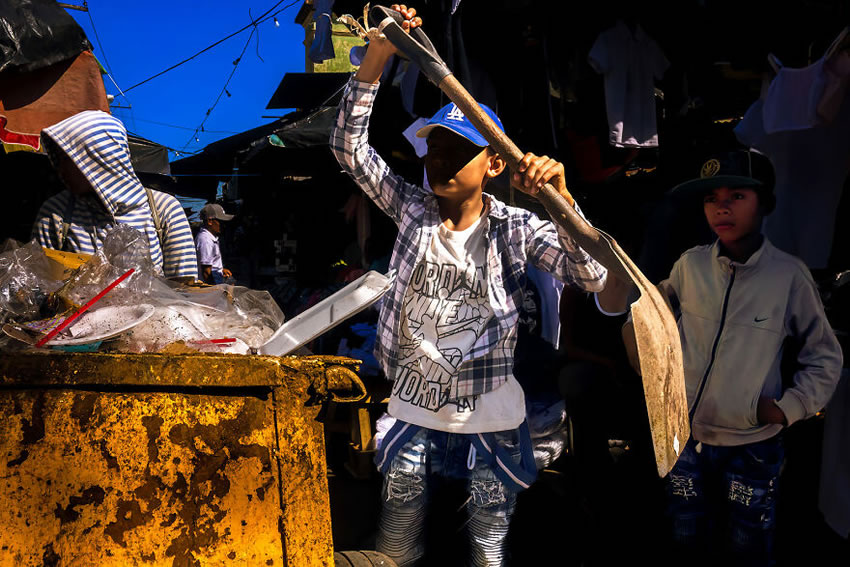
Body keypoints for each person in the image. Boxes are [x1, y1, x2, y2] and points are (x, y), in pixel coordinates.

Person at [330, 6, 608, 565]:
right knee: (398, 542)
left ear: (494, 167)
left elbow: (593, 274)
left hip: (494, 424)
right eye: (434, 147)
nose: (440, 160)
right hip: (412, 413)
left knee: (487, 548)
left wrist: (565, 201)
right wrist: (378, 58)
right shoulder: (411, 209)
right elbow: (348, 150)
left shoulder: (517, 227)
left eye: (459, 151)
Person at [622, 149, 843, 566]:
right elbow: (648, 320)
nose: (721, 207)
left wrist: (786, 409)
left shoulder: (787, 276)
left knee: (748, 543)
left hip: (752, 444)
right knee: (685, 532)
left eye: (737, 195)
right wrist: (656, 381)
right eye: (711, 198)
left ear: (766, 204)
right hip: (683, 437)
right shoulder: (690, 266)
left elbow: (824, 356)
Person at [32, 110, 198, 280]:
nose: (59, 169)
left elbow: (184, 290)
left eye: (67, 159)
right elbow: (39, 284)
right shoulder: (55, 214)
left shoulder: (165, 210)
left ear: (99, 158)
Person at [195, 203, 234, 284]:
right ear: (210, 221)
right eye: (221, 222)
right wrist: (215, 291)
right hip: (211, 287)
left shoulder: (212, 238)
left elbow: (212, 264)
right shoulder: (205, 240)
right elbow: (206, 272)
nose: (224, 225)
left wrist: (221, 270)